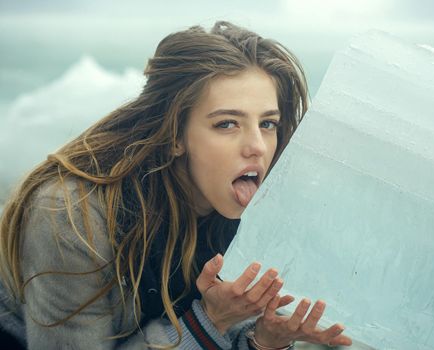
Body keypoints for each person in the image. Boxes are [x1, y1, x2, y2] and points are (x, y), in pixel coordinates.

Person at [0, 21, 352, 349]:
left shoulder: (244, 215)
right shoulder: (71, 216)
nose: (258, 146)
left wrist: (262, 339)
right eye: (227, 124)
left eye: (268, 124)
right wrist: (210, 320)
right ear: (175, 135)